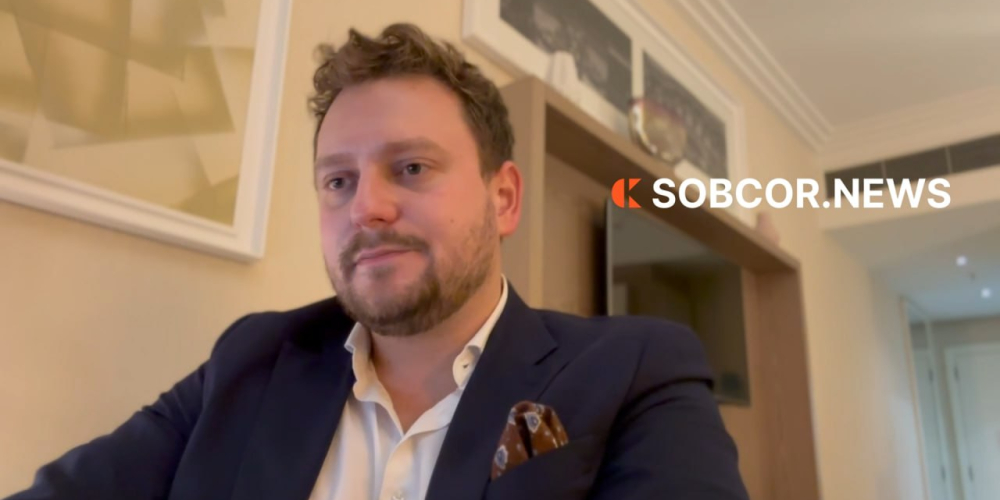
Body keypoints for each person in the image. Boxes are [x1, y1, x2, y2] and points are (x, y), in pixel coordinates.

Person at [7, 23, 749, 500]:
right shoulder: (252, 358)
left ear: (504, 198)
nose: (367, 207)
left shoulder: (635, 372)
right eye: (338, 181)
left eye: (411, 168)